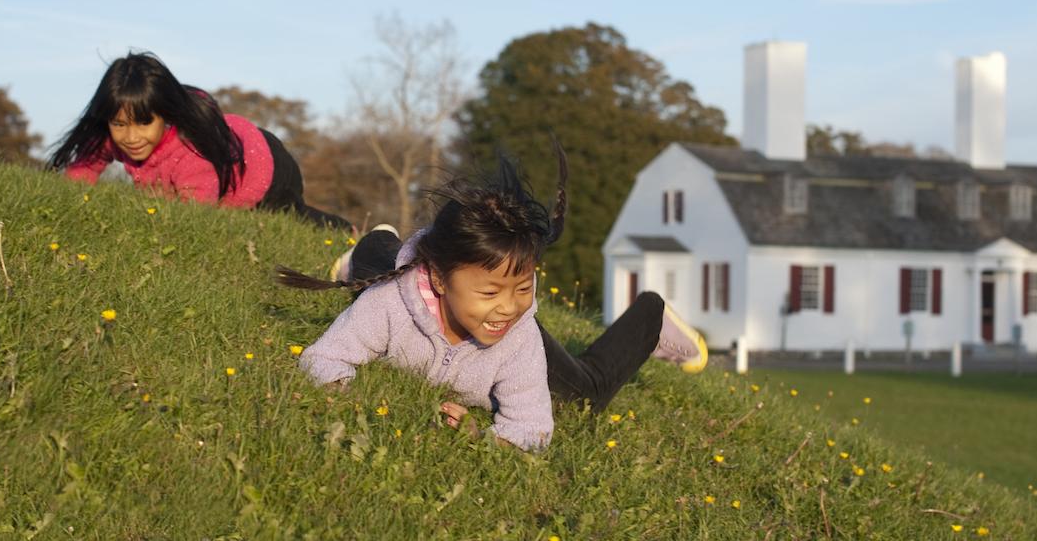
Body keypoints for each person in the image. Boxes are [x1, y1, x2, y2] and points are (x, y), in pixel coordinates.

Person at [278, 141, 708, 451]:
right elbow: (324, 356)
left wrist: (485, 439)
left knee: (584, 397)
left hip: (460, 299)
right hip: (417, 284)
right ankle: (374, 243)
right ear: (440, 279)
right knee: (378, 283)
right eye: (492, 291)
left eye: (525, 287)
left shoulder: (517, 334)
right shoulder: (391, 303)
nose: (509, 305)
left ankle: (651, 317)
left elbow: (531, 427)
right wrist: (340, 390)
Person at [48, 52, 350, 229]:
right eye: (119, 124)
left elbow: (194, 219)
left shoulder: (191, 154)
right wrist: (73, 202)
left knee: (293, 217)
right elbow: (86, 164)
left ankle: (346, 230)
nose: (131, 137)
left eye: (144, 123)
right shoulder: (117, 136)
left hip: (267, 168)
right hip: (239, 149)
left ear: (165, 115)